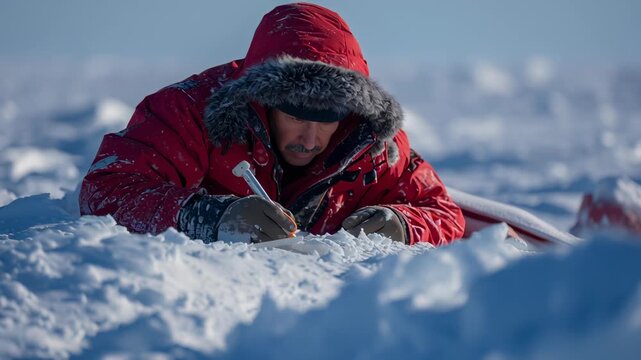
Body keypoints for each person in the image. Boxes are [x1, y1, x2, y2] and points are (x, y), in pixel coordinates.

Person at [79, 3, 465, 246]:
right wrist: (208, 216)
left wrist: (402, 224)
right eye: (296, 117)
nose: (311, 139)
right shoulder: (189, 111)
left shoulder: (374, 142)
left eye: (327, 120)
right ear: (262, 101)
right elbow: (106, 190)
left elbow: (442, 212)